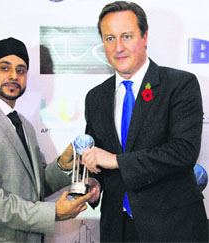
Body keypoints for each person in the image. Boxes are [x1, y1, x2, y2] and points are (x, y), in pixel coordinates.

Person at [82, 1, 208, 242]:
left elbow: (184, 151)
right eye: (109, 39)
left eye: (126, 36)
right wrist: (94, 182)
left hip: (173, 228)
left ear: (145, 37)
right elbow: (99, 156)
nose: (118, 47)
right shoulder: (95, 97)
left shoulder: (180, 84)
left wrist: (116, 161)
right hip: (117, 229)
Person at [0, 37, 96, 243]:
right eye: (5, 68)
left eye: (21, 70)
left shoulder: (24, 124)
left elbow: (35, 185)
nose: (14, 76)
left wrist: (62, 166)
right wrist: (51, 213)